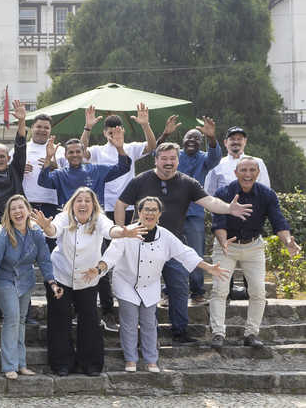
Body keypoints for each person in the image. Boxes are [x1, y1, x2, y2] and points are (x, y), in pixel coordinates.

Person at [114, 142, 252, 345]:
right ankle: (147, 333)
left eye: (172, 158)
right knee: (143, 288)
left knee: (179, 288)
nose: (168, 163)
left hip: (174, 245)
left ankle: (179, 331)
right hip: (142, 245)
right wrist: (123, 233)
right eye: (164, 158)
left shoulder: (188, 182)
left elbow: (209, 202)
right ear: (156, 160)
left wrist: (229, 209)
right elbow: (120, 204)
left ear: (178, 160)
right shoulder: (141, 180)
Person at [96, 197, 230, 372]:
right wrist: (98, 269)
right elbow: (111, 256)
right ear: (139, 212)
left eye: (154, 210)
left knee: (149, 322)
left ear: (159, 214)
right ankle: (131, 360)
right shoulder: (127, 232)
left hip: (150, 284)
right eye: (146, 210)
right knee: (129, 322)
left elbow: (185, 254)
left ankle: (151, 359)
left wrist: (209, 267)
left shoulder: (165, 235)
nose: (149, 213)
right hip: (126, 283)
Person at [33, 187, 145, 377]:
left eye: (87, 200)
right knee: (59, 319)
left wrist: (124, 232)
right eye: (79, 200)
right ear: (72, 204)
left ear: (93, 205)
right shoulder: (63, 217)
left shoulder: (99, 219)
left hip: (88, 277)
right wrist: (45, 225)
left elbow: (111, 230)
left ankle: (91, 364)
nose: (83, 204)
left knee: (89, 320)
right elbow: (53, 231)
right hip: (60, 275)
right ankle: (61, 363)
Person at [209, 157, 300, 350]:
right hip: (226, 245)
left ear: (258, 173)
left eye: (252, 170)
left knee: (258, 291)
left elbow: (279, 222)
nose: (247, 174)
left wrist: (288, 241)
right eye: (243, 170)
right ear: (235, 173)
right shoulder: (223, 192)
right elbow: (218, 222)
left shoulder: (267, 194)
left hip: (254, 246)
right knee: (220, 290)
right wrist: (223, 241)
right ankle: (218, 334)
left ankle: (251, 333)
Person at [80, 105, 156, 332]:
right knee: (101, 260)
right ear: (105, 133)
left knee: (131, 259)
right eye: (110, 131)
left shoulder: (131, 148)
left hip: (129, 210)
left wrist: (145, 125)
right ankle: (108, 312)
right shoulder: (97, 151)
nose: (114, 133)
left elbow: (152, 146)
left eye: (118, 130)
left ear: (123, 131)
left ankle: (134, 310)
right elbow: (79, 151)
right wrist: (87, 127)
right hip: (102, 211)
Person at [0, 195, 61, 380]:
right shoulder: (1, 234)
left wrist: (52, 283)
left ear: (28, 210)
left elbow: (45, 259)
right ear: (8, 213)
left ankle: (21, 364)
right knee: (12, 318)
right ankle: (9, 366)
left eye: (20, 207)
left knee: (21, 320)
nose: (17, 211)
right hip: (3, 280)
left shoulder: (36, 232)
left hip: (25, 280)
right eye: (13, 208)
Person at [156, 115, 222, 306]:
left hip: (194, 214)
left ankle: (197, 293)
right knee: (168, 253)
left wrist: (211, 137)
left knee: (196, 253)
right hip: (171, 213)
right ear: (182, 141)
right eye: (188, 138)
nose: (192, 141)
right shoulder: (175, 156)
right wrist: (166, 134)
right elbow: (157, 152)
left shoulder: (204, 159)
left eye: (196, 139)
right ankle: (169, 293)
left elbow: (215, 157)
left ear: (200, 144)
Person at [37, 131, 131, 208]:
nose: (74, 155)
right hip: (68, 221)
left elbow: (122, 168)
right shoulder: (60, 174)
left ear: (83, 153)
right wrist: (48, 157)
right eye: (71, 152)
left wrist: (120, 148)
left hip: (95, 220)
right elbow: (43, 182)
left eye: (78, 151)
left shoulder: (97, 170)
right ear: (65, 155)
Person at [205, 126, 270, 196]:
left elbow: (266, 191)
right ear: (225, 142)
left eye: (239, 139)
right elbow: (209, 193)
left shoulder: (258, 162)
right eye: (232, 139)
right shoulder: (216, 164)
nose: (236, 142)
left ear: (245, 141)